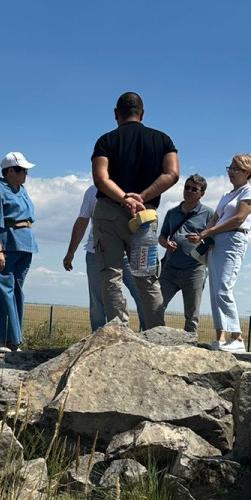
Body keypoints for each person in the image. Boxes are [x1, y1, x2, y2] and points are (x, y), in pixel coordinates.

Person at [90, 92, 179, 329]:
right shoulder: (163, 140)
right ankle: (156, 335)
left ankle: (119, 334)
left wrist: (123, 198)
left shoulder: (105, 141)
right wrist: (141, 197)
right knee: (147, 278)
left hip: (109, 212)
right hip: (144, 217)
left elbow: (100, 179)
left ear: (116, 113)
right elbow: (172, 174)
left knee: (111, 275)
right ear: (142, 113)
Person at [195, 154, 251, 352]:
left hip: (233, 239)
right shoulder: (227, 195)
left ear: (247, 172)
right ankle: (221, 335)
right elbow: (215, 218)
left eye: (236, 169)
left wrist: (211, 231)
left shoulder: (249, 191)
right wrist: (204, 236)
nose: (231, 172)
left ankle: (237, 337)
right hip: (217, 241)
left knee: (224, 287)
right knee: (215, 290)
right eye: (230, 168)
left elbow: (239, 218)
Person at [62, 184, 147, 331]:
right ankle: (99, 341)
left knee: (142, 294)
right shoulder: (92, 191)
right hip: (97, 251)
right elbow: (82, 220)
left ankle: (147, 336)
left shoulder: (131, 183)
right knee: (98, 301)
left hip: (129, 252)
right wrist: (70, 252)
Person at [0, 152, 38, 352]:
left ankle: (13, 341)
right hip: (3, 246)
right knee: (2, 292)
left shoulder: (22, 190)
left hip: (24, 245)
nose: (26, 174)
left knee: (16, 293)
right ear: (10, 171)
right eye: (22, 170)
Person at [157, 174, 210, 334]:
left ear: (201, 194)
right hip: (170, 269)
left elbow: (213, 240)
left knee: (191, 315)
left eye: (194, 189)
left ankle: (189, 347)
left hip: (194, 270)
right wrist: (166, 244)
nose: (189, 191)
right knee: (156, 305)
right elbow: (162, 236)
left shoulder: (208, 214)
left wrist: (200, 239)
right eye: (187, 187)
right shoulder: (172, 212)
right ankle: (156, 338)